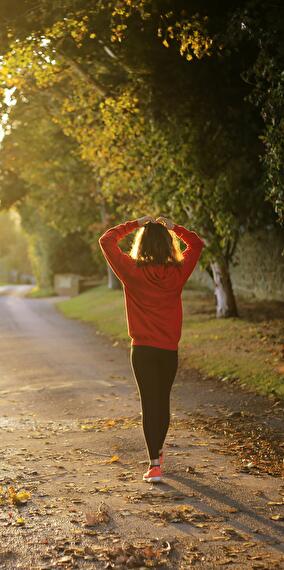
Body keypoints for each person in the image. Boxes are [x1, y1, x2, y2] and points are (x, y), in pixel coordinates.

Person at [98, 215, 205, 483]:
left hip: (142, 350)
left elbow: (107, 240)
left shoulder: (131, 270)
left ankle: (154, 464)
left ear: (141, 244)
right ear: (168, 245)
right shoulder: (178, 272)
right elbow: (197, 244)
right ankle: (157, 452)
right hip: (168, 350)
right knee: (162, 401)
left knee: (149, 404)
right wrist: (174, 228)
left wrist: (135, 223)